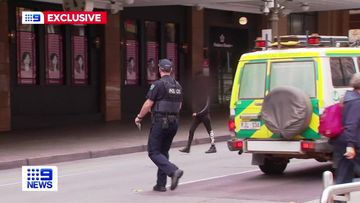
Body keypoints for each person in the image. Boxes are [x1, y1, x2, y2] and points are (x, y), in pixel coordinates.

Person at [135, 58, 184, 192]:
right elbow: (179, 106)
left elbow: (148, 104)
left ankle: (173, 171)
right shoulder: (178, 86)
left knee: (153, 151)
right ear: (171, 70)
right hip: (174, 123)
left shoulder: (158, 84)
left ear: (159, 69)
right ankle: (160, 184)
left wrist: (139, 117)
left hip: (161, 122)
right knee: (163, 152)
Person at [331, 73, 360, 196]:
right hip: (352, 142)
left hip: (343, 141)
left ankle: (338, 198)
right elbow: (351, 124)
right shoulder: (356, 101)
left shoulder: (348, 97)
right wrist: (350, 145)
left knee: (344, 174)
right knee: (344, 174)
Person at [179, 71, 217, 154]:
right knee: (191, 130)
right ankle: (188, 147)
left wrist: (197, 113)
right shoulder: (198, 92)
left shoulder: (206, 93)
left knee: (210, 131)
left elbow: (207, 107)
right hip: (198, 116)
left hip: (204, 115)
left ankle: (213, 146)